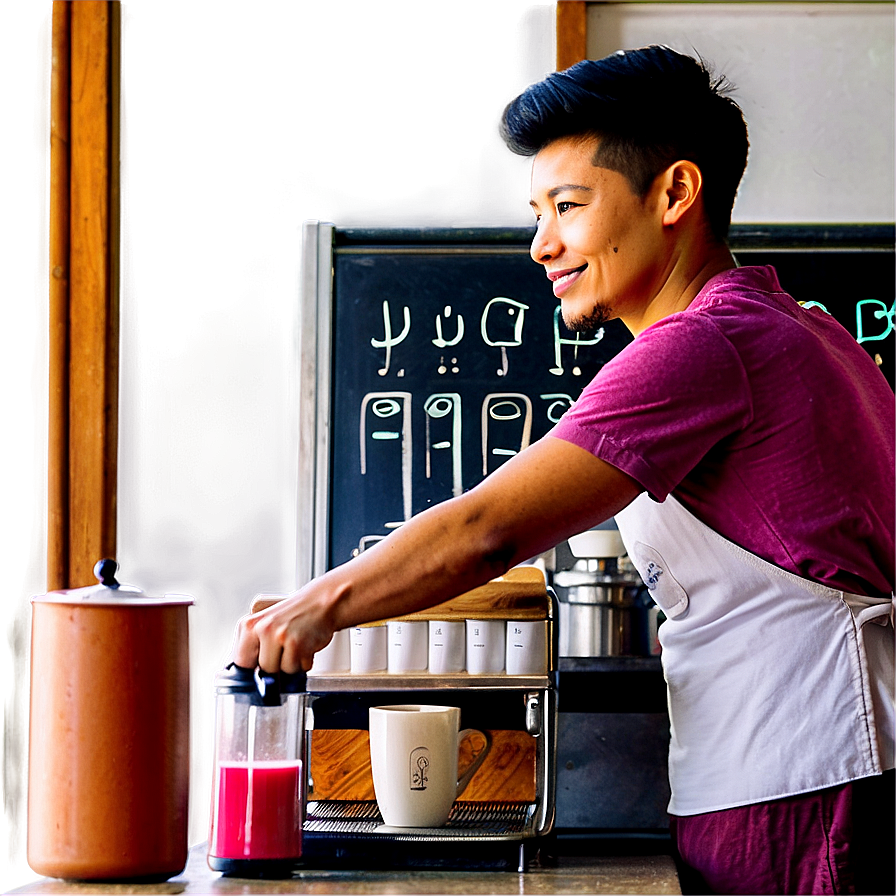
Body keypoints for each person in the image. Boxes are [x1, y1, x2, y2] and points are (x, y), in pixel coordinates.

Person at [231, 46, 895, 894]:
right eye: (539, 212)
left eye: (569, 207)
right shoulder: (798, 328)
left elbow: (487, 530)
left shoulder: (704, 345)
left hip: (798, 790)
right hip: (825, 771)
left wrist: (315, 608)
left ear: (675, 195)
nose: (542, 245)